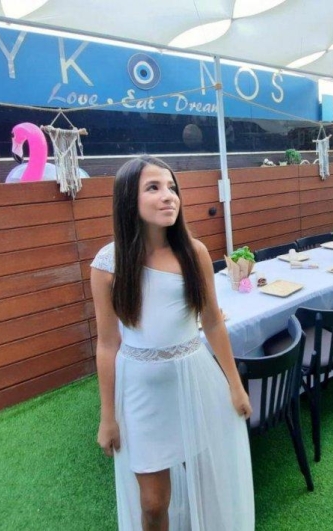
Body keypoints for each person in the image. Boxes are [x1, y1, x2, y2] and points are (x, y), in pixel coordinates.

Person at [91, 155, 255, 530]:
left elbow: (212, 321)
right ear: (127, 199)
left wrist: (234, 385)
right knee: (153, 503)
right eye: (153, 187)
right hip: (141, 392)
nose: (168, 196)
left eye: (171, 187)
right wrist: (107, 416)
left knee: (209, 483)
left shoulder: (193, 253)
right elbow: (107, 344)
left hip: (196, 381)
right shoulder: (107, 265)